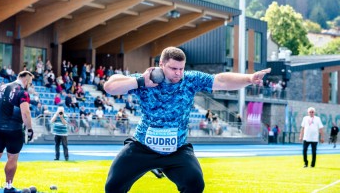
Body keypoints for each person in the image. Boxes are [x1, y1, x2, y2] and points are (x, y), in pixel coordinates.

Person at [103, 46, 270, 193]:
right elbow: (109, 86)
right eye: (173, 68)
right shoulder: (146, 80)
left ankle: (163, 166)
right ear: (161, 65)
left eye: (181, 69)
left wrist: (248, 79)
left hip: (176, 149)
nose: (178, 73)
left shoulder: (190, 80)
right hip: (143, 147)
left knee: (195, 184)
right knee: (113, 186)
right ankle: (154, 165)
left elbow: (220, 80)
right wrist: (139, 82)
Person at [0, 71, 34, 193]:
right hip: (14, 128)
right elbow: (25, 113)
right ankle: (8, 187)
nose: (29, 85)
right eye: (30, 82)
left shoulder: (2, 87)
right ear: (25, 80)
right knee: (12, 157)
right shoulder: (22, 92)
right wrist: (30, 129)